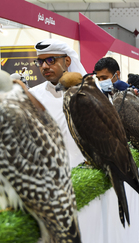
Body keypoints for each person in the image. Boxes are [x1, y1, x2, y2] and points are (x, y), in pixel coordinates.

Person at [29, 38, 86, 168]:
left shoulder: (88, 94)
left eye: (51, 60)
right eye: (40, 61)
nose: (44, 66)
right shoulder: (33, 95)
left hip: (86, 172)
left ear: (67, 61)